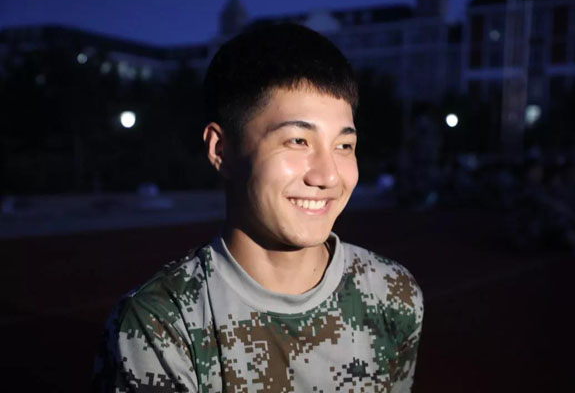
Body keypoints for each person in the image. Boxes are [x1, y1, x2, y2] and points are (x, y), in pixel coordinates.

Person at [92, 23, 423, 392]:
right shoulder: (161, 323)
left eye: (344, 146)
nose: (328, 175)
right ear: (221, 150)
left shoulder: (392, 292)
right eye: (298, 140)